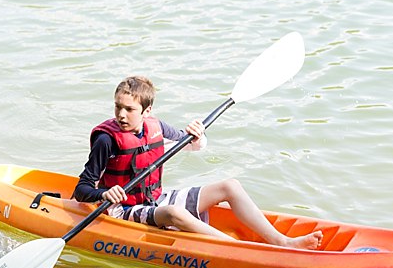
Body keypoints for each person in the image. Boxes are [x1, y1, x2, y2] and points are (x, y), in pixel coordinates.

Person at [74, 76, 322, 249]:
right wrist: (106, 193)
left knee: (230, 186)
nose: (120, 115)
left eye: (129, 109)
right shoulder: (107, 140)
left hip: (153, 199)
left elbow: (193, 144)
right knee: (173, 212)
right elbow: (81, 190)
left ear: (146, 111)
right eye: (118, 107)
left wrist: (199, 134)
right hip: (123, 211)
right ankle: (238, 249)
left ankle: (282, 241)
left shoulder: (156, 127)